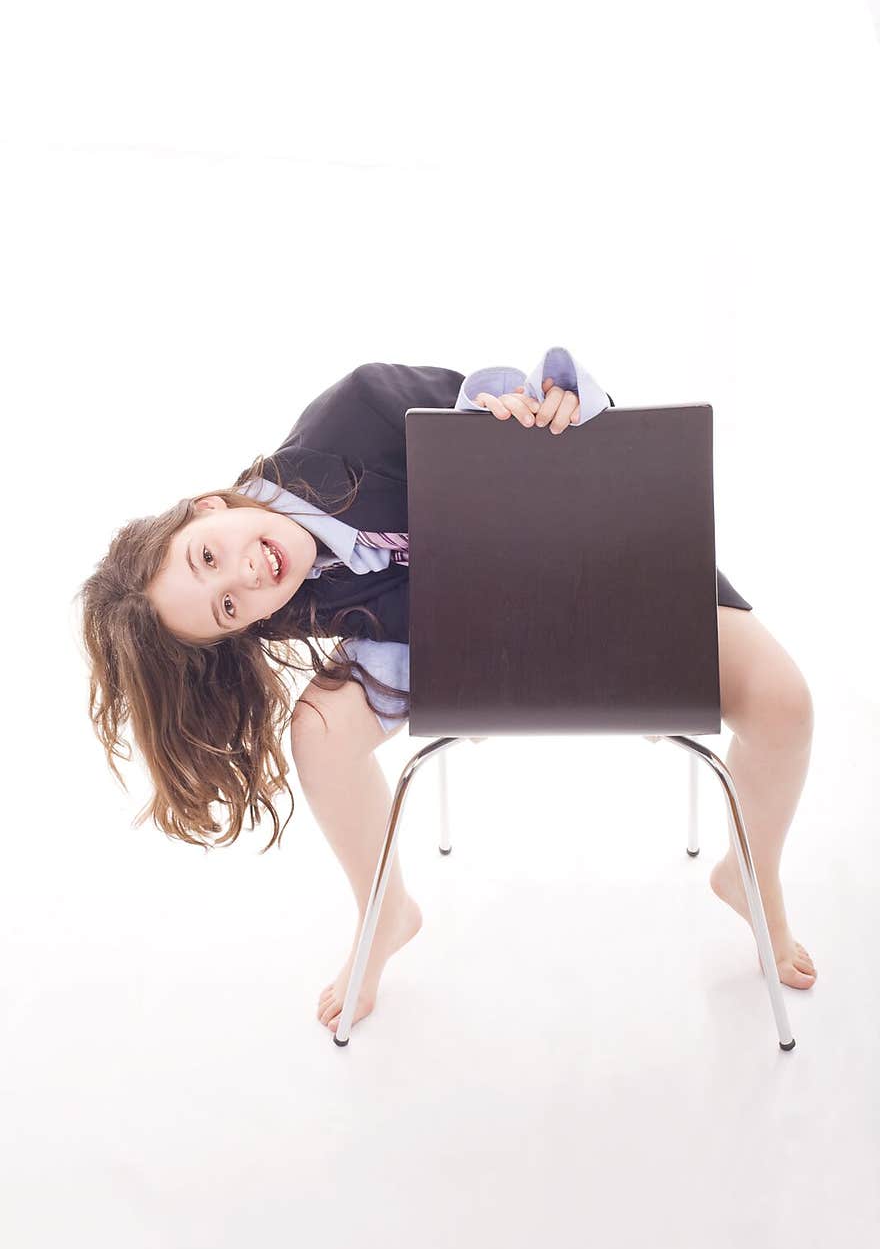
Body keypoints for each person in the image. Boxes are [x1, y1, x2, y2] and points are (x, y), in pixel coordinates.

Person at [78, 346, 817, 1040]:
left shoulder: (357, 413)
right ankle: (386, 909)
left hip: (595, 564)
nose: (244, 578)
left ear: (210, 508)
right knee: (319, 730)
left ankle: (752, 873)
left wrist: (539, 407)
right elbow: (380, 627)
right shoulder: (278, 601)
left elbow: (507, 414)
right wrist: (471, 662)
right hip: (457, 634)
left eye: (210, 557)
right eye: (227, 611)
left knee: (784, 703)